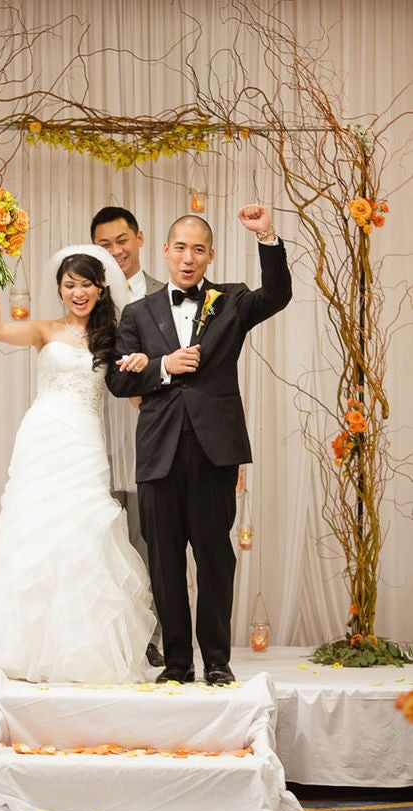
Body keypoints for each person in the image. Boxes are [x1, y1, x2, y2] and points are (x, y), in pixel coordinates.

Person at [106, 205, 292, 686]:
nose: (189, 258)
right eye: (181, 248)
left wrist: (266, 236)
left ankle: (216, 661)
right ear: (165, 251)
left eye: (199, 250)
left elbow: (277, 293)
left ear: (211, 256)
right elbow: (117, 380)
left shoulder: (230, 301)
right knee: (164, 562)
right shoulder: (136, 312)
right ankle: (176, 664)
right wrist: (165, 366)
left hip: (215, 450)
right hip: (158, 450)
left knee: (215, 558)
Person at [0, 244, 156, 684]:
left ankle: (79, 651)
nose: (78, 292)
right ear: (60, 290)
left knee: (82, 531)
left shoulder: (114, 338)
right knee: (34, 529)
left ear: (101, 287)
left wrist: (144, 366)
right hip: (42, 436)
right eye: (70, 285)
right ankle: (23, 648)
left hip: (85, 441)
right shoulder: (44, 330)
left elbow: (134, 394)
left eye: (86, 284)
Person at [91, 206, 165, 667]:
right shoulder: (88, 297)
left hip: (154, 426)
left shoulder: (167, 292)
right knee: (102, 537)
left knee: (152, 537)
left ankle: (154, 637)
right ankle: (106, 638)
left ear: (139, 237)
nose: (117, 251)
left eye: (123, 240)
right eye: (105, 245)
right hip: (99, 427)